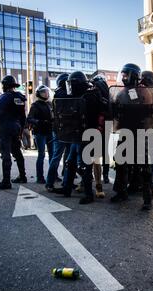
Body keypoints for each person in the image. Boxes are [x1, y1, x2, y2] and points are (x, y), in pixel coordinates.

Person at [110, 63, 153, 210]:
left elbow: (147, 112)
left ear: (133, 76)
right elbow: (117, 111)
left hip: (140, 132)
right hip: (124, 132)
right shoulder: (122, 92)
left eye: (126, 75)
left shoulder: (143, 91)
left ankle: (147, 198)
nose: (123, 78)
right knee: (120, 162)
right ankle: (121, 191)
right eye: (122, 75)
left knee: (143, 166)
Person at [53, 71, 102, 204]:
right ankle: (67, 188)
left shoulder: (91, 96)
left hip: (87, 134)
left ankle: (88, 194)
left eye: (72, 83)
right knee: (71, 162)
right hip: (76, 134)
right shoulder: (76, 95)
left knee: (85, 165)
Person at [0, 75, 27, 190]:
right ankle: (22, 176)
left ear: (4, 86)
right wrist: (20, 130)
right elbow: (23, 117)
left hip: (5, 127)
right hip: (16, 127)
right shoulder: (20, 97)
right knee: (17, 152)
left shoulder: (5, 96)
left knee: (5, 155)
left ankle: (6, 181)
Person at [45, 73, 71, 191]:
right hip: (63, 129)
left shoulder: (58, 93)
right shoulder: (64, 93)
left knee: (60, 156)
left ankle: (54, 182)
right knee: (62, 156)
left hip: (60, 129)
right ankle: (54, 182)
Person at [27, 85, 54, 184]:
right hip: (40, 133)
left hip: (50, 132)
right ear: (39, 94)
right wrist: (40, 122)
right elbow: (29, 118)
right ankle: (40, 177)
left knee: (53, 154)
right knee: (41, 154)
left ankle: (53, 176)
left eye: (47, 91)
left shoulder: (50, 104)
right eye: (43, 92)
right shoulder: (35, 105)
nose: (46, 93)